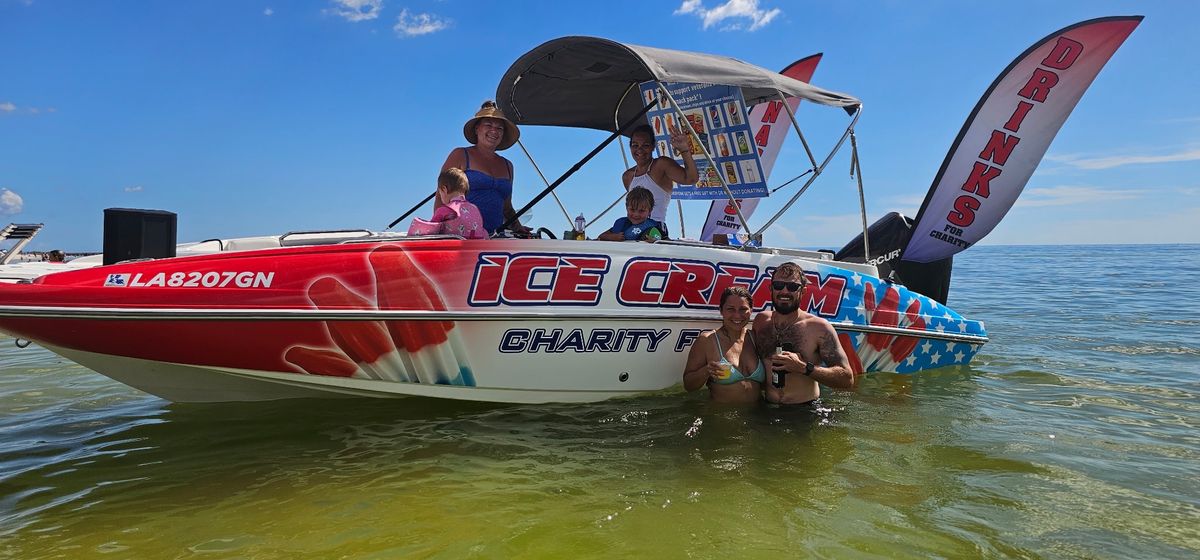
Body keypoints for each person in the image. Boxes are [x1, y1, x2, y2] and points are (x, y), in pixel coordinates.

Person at [754, 262, 855, 406]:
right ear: (771, 288)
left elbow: (847, 379)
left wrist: (803, 367)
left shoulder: (819, 328)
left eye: (792, 287)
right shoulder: (761, 322)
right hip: (768, 407)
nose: (784, 291)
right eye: (778, 285)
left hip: (804, 411)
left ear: (803, 291)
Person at [440, 101, 530, 237]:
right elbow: (440, 196)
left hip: (495, 239)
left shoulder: (508, 165)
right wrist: (442, 233)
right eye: (488, 125)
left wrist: (518, 227)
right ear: (477, 129)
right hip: (462, 238)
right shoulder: (460, 155)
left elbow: (506, 207)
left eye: (500, 128)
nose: (494, 131)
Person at [682, 286, 764, 403]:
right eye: (730, 309)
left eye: (743, 309)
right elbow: (688, 386)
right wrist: (707, 371)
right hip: (722, 418)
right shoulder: (707, 341)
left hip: (756, 416)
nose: (737, 315)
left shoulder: (755, 338)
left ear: (751, 310)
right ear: (721, 310)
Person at [622, 123, 698, 224]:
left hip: (655, 231)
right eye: (635, 145)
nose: (639, 150)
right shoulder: (627, 176)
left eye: (645, 145)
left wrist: (684, 149)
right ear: (630, 147)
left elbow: (691, 179)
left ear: (653, 146)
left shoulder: (661, 165)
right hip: (633, 231)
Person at [408, 168, 487, 239]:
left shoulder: (444, 210)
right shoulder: (475, 209)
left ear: (444, 189)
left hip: (452, 250)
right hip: (474, 250)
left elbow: (430, 233)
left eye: (440, 193)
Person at [598, 187, 667, 242]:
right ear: (626, 208)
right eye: (632, 210)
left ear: (650, 211)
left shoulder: (655, 227)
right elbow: (601, 236)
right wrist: (613, 237)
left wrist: (655, 241)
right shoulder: (622, 224)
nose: (636, 214)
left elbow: (668, 243)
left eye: (641, 211)